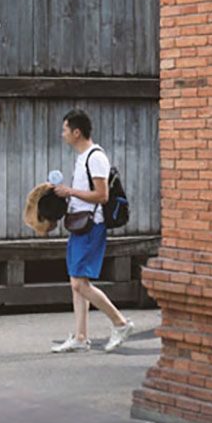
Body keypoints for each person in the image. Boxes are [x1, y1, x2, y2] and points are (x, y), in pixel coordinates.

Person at [51, 108, 134, 353]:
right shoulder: (83, 157)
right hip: (79, 225)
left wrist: (70, 191)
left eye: (65, 129)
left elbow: (102, 195)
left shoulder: (95, 157)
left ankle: (120, 323)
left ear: (77, 132)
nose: (63, 134)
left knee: (80, 284)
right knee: (76, 281)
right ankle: (80, 337)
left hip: (91, 226)